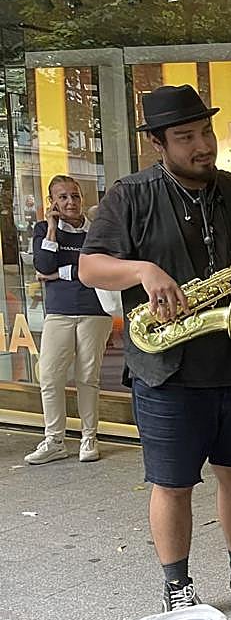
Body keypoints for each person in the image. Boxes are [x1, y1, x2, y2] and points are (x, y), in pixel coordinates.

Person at [78, 85, 231, 613]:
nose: (202, 145)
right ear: (158, 143)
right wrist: (142, 270)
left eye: (205, 132)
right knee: (172, 483)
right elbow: (90, 267)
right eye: (186, 137)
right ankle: (178, 586)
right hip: (168, 370)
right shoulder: (129, 195)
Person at [24, 175, 114, 465]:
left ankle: (89, 437)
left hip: (94, 311)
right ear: (53, 202)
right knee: (49, 376)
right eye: (62, 197)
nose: (70, 202)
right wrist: (52, 228)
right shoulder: (43, 229)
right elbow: (43, 265)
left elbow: (98, 270)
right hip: (59, 312)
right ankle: (54, 440)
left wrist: (62, 273)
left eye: (75, 196)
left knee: (88, 377)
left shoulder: (95, 232)